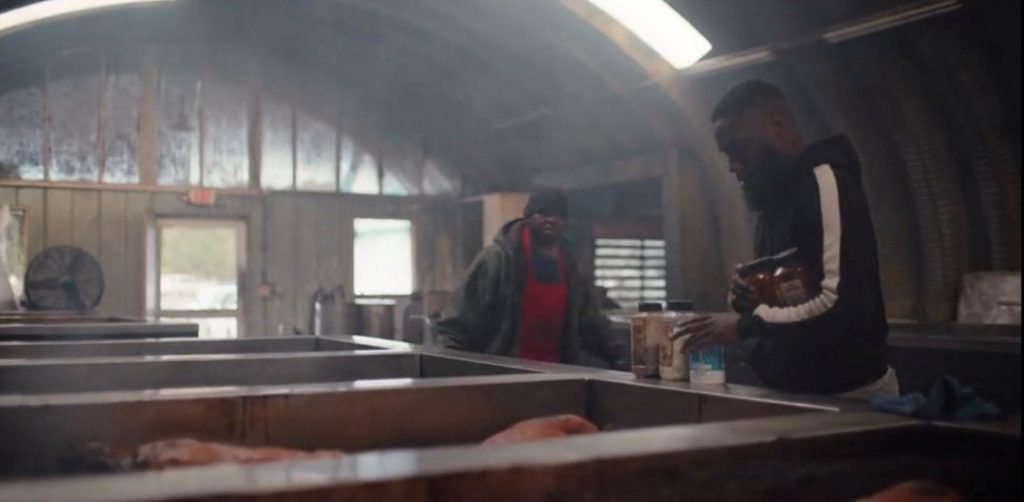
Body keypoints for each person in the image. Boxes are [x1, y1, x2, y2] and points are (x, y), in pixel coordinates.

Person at [676, 80, 897, 398]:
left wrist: (742, 327)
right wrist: (746, 297)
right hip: (794, 389)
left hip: (848, 393)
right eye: (727, 154)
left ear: (777, 125)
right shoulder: (771, 200)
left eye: (739, 149)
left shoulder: (825, 180)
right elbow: (791, 298)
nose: (733, 165)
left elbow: (838, 304)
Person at [435, 190, 617, 366]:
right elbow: (457, 321)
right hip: (503, 372)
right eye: (542, 213)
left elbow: (591, 321)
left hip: (559, 373)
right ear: (528, 218)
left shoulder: (571, 265)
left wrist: (620, 356)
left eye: (558, 215)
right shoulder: (498, 259)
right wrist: (452, 366)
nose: (551, 220)